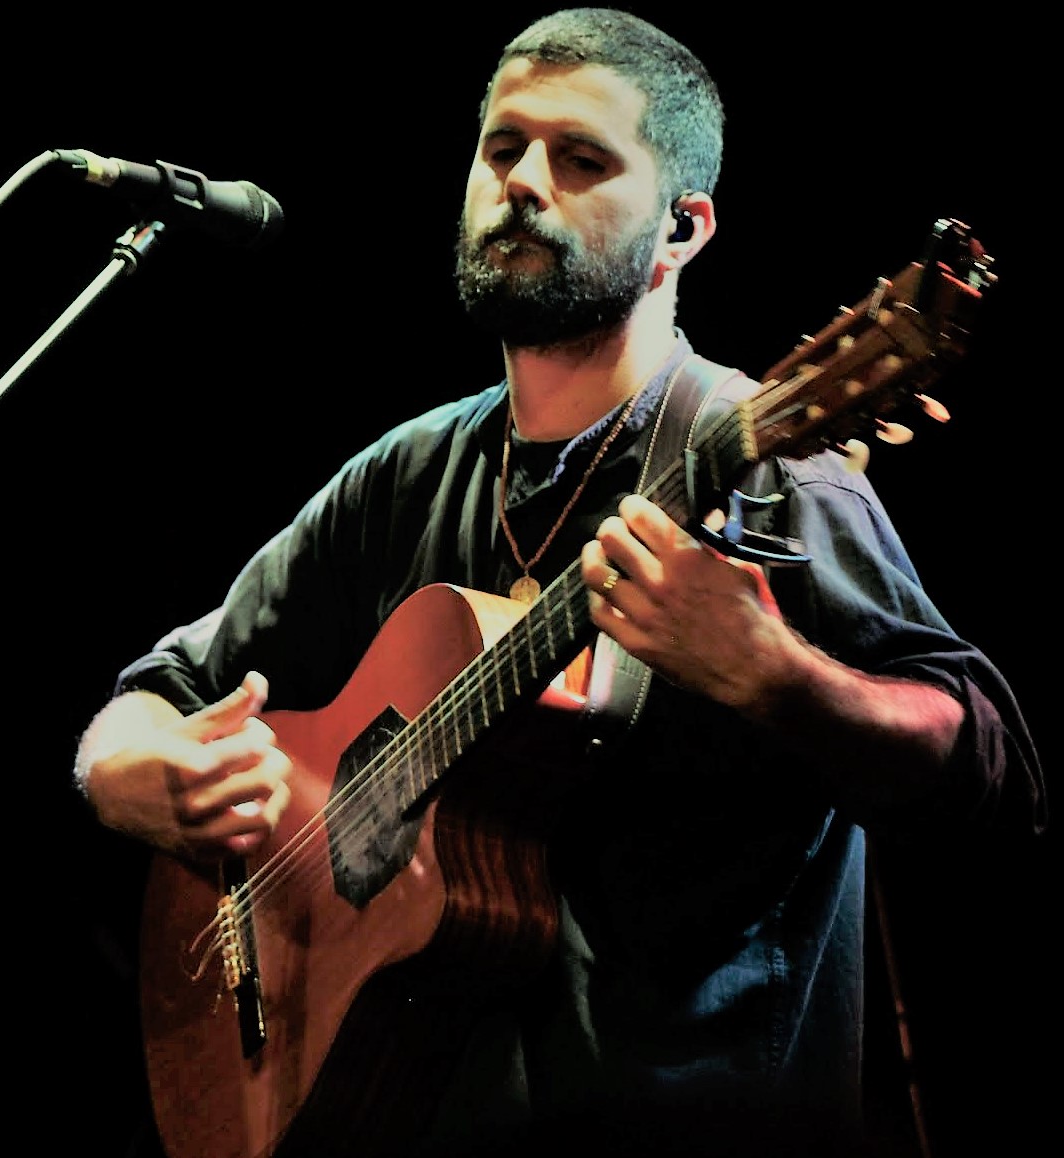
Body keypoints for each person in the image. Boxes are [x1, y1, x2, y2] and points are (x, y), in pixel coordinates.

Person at [72, 9, 1046, 1158]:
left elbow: (995, 772)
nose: (524, 183)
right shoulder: (407, 475)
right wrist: (125, 769)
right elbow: (165, 686)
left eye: (580, 160)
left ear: (681, 228)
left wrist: (776, 674)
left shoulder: (785, 477)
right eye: (503, 148)